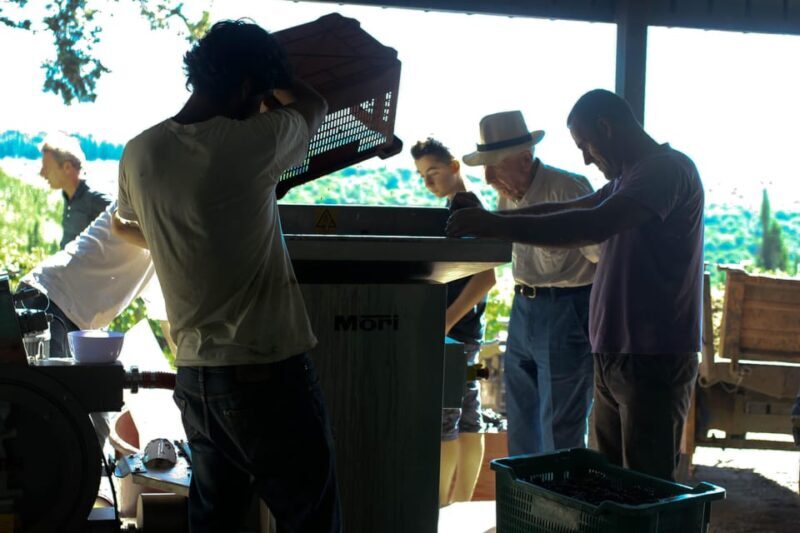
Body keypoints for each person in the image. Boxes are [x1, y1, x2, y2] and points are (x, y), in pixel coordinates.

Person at [112, 20, 340, 532]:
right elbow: (314, 105)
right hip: (266, 373)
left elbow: (128, 221)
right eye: (257, 96)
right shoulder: (248, 144)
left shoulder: (139, 151)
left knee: (215, 524)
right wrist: (280, 75)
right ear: (245, 87)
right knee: (311, 520)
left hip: (196, 379)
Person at [447, 90, 703, 481]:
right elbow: (573, 210)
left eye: (586, 145)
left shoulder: (665, 169)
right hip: (614, 349)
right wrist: (493, 218)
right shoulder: (625, 179)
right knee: (613, 480)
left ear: (606, 127)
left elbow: (593, 224)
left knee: (647, 483)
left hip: (653, 352)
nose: (585, 157)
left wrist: (496, 226)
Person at [457, 111, 598, 456]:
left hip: (567, 309)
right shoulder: (509, 190)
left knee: (558, 428)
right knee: (519, 418)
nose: (488, 178)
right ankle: (525, 504)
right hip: (524, 308)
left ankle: (561, 504)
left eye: (495, 166)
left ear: (525, 159)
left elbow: (603, 257)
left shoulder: (568, 188)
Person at [16, 201, 158, 447]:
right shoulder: (145, 196)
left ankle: (89, 481)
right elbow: (122, 226)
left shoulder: (170, 247)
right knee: (57, 416)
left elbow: (171, 321)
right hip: (50, 297)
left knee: (97, 418)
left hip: (80, 319)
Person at [411, 138, 495, 505]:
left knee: (446, 419)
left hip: (456, 334)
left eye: (434, 172)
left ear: (455, 166)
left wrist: (444, 321)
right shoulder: (461, 205)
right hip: (468, 334)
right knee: (467, 416)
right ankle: (458, 506)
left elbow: (486, 276)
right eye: (423, 177)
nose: (429, 182)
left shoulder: (463, 208)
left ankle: (442, 509)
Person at [39, 132, 111, 249]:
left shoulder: (94, 198)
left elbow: (130, 225)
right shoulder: (68, 197)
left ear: (67, 167)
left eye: (46, 168)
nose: (42, 173)